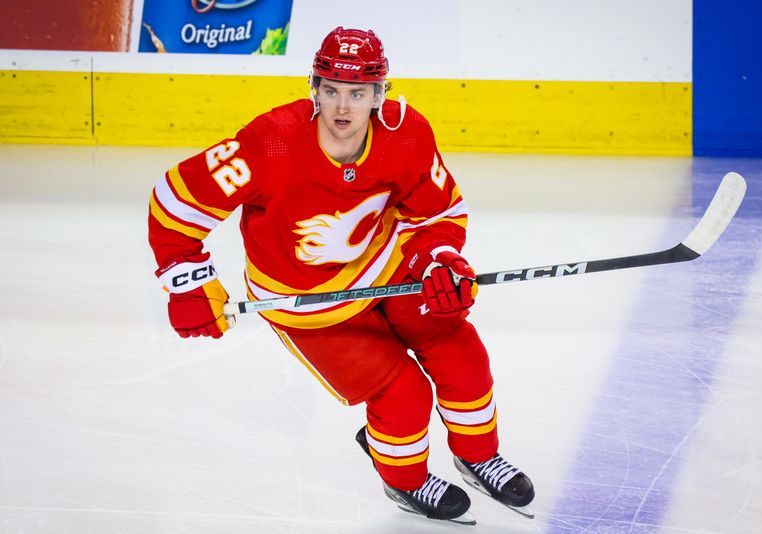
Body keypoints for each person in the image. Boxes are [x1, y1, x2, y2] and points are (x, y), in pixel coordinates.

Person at [148, 26, 534, 524]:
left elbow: (438, 212)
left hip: (386, 265)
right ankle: (406, 481)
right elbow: (175, 203)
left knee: (459, 349)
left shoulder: (407, 133)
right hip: (304, 298)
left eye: (358, 93)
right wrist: (187, 281)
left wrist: (440, 260)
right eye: (331, 90)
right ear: (314, 88)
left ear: (379, 94)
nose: (343, 108)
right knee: (404, 395)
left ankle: (478, 455)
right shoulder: (270, 144)